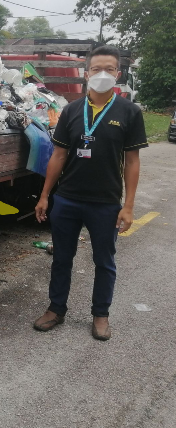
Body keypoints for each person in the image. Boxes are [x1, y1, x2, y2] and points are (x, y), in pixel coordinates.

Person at [33, 45, 148, 341]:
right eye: (96, 69)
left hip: (106, 203)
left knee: (104, 261)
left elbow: (132, 162)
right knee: (61, 257)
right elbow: (58, 156)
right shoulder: (71, 110)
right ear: (86, 74)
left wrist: (129, 206)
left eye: (109, 69)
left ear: (118, 74)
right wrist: (46, 195)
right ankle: (56, 308)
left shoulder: (130, 112)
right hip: (68, 199)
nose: (102, 74)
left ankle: (100, 315)